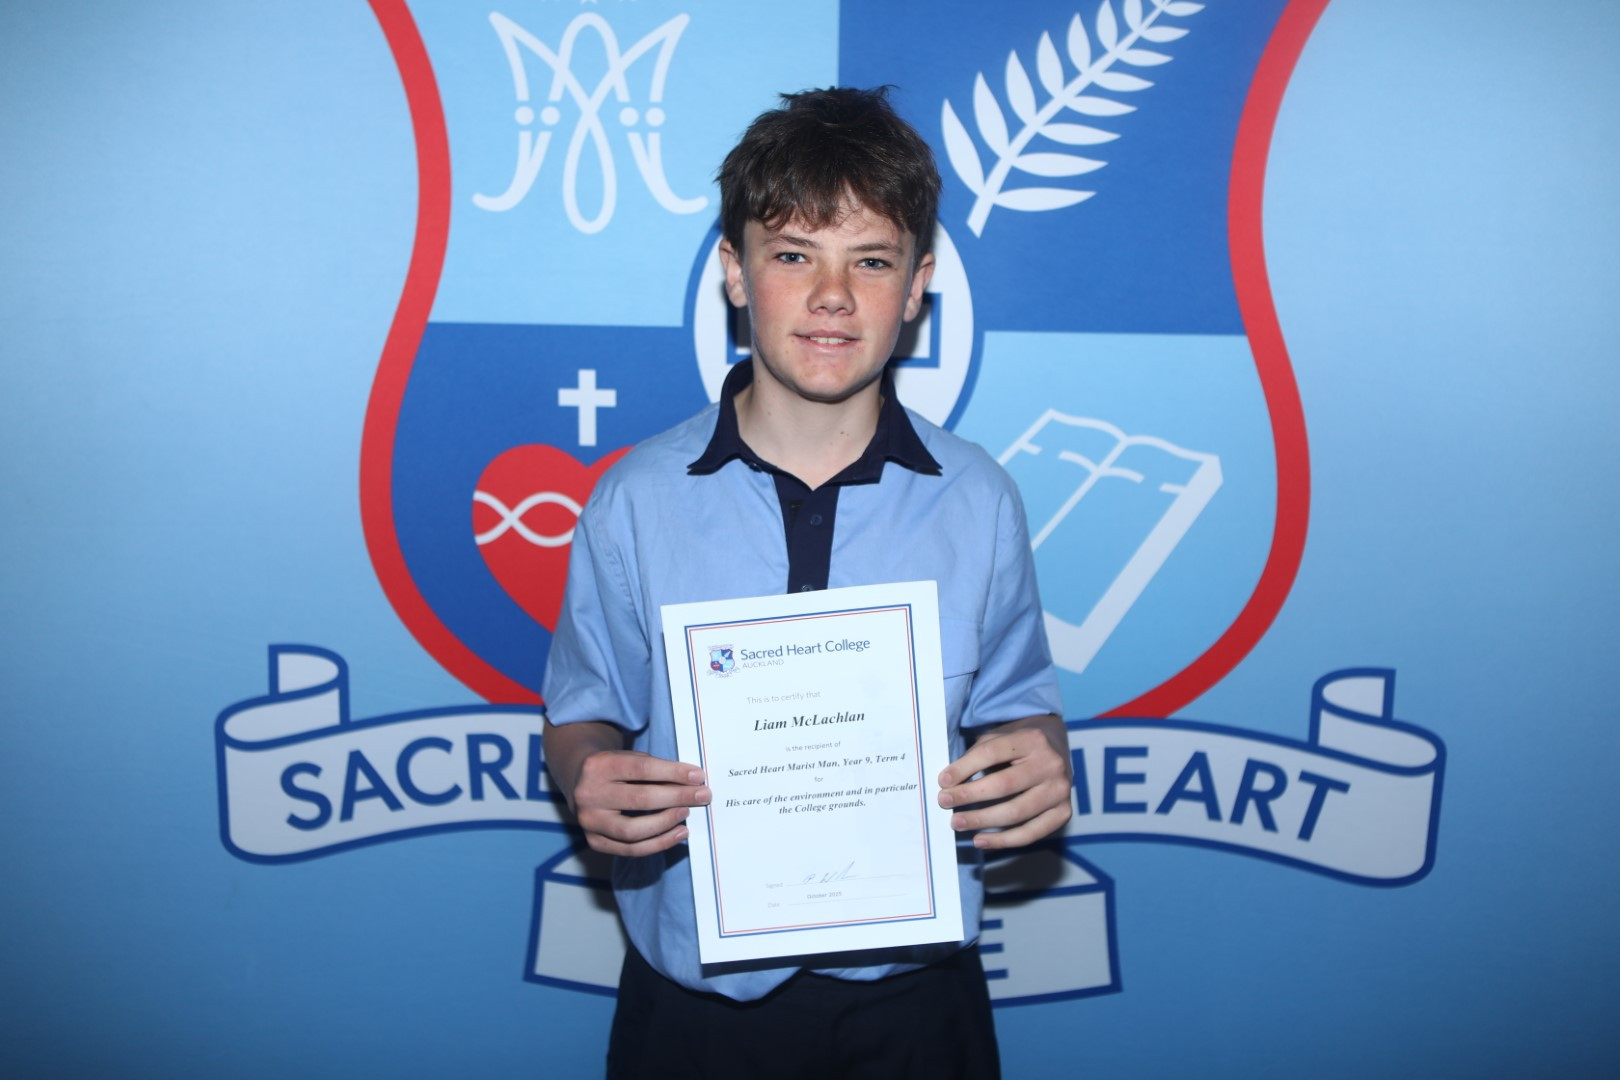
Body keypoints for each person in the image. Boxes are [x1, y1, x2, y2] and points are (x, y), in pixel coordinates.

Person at [541, 86, 1071, 1079]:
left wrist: (1038, 761)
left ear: (916, 287)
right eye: (793, 255)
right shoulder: (635, 498)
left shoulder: (978, 498)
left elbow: (1021, 710)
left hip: (914, 1008)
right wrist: (585, 775)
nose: (833, 295)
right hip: (697, 1011)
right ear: (734, 272)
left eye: (871, 260)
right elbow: (581, 715)